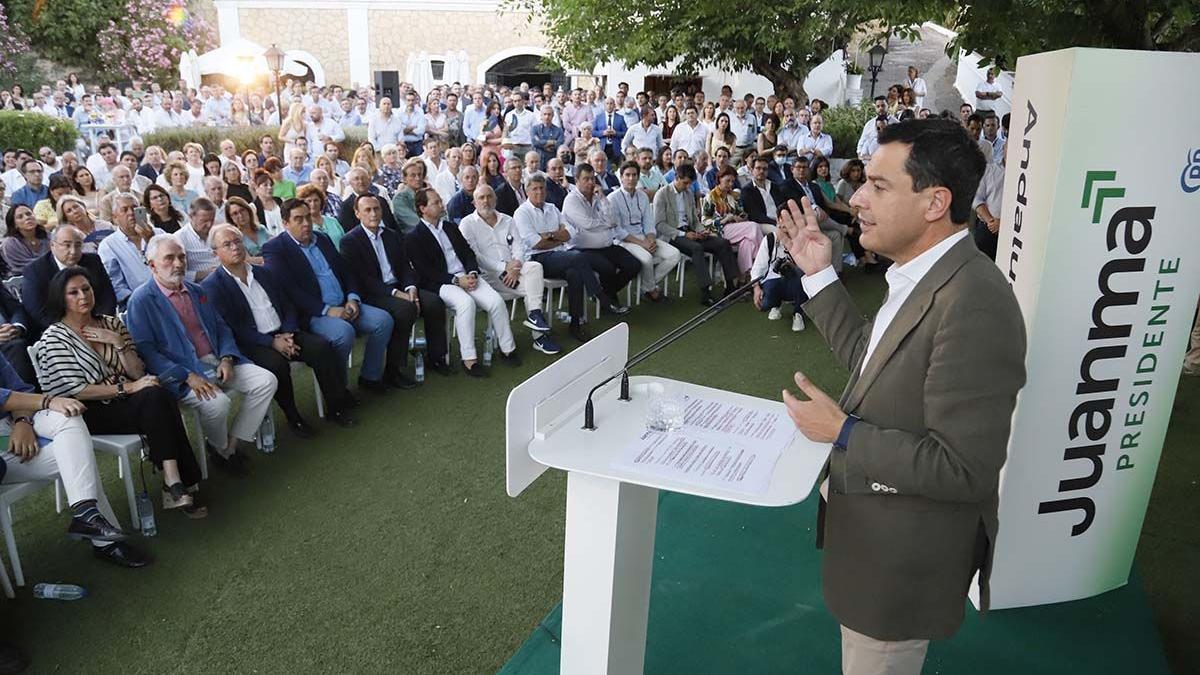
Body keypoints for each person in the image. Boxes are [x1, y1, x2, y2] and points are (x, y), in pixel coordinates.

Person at [778, 118, 1026, 675]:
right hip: (875, 544)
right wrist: (818, 275)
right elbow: (876, 361)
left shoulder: (974, 302)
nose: (857, 199)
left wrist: (842, 432)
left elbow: (965, 469)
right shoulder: (922, 273)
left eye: (879, 185)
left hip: (901, 568)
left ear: (935, 202)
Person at [36, 266, 207, 517]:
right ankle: (179, 482)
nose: (83, 296)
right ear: (61, 298)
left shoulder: (111, 323)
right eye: (73, 292)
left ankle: (174, 481)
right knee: (158, 399)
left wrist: (117, 344)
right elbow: (76, 390)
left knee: (156, 395)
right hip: (86, 412)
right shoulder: (55, 338)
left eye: (86, 289)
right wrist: (127, 387)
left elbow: (137, 372)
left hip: (129, 399)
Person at [128, 234, 278, 477]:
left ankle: (228, 448)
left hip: (217, 361)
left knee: (266, 381)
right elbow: (146, 351)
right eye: (169, 258)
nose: (178, 263)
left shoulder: (197, 291)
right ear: (152, 264)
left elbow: (221, 327)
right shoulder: (141, 300)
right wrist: (187, 375)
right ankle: (220, 448)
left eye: (181, 257)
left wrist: (228, 357)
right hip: (181, 373)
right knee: (218, 404)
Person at [0, 349, 150, 566]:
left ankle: (85, 512)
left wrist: (22, 421)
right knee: (74, 454)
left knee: (68, 418)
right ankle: (105, 542)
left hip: (12, 421)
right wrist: (48, 401)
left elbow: (19, 391)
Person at [203, 224, 357, 433]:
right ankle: (294, 418)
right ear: (215, 253)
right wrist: (272, 342)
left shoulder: (264, 272)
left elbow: (287, 305)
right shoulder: (213, 285)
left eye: (237, 241)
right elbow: (233, 327)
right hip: (255, 342)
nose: (235, 247)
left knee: (321, 347)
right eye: (227, 244)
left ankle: (336, 406)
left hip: (285, 331)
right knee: (277, 366)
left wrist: (289, 332)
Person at [262, 199, 400, 393]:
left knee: (383, 321)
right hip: (314, 313)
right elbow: (289, 291)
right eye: (298, 219)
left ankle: (370, 376)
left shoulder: (322, 238)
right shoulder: (275, 248)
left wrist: (352, 297)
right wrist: (328, 310)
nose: (306, 223)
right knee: (344, 333)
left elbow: (346, 271)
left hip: (345, 303)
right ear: (285, 223)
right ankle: (338, 389)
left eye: (308, 217)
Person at [406, 188, 519, 377]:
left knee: (496, 301)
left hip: (468, 276)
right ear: (422, 208)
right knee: (465, 304)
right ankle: (469, 360)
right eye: (436, 203)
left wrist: (473, 272)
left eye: (440, 201)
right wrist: (456, 280)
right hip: (443, 283)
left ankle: (508, 349)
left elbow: (468, 253)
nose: (441, 205)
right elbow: (424, 271)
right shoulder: (413, 237)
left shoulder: (450, 227)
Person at [339, 193, 450, 378]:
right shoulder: (350, 241)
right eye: (367, 210)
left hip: (400, 287)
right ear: (357, 214)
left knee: (434, 302)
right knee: (405, 309)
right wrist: (397, 294)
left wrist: (411, 289)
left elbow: (405, 267)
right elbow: (362, 280)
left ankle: (436, 357)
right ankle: (394, 370)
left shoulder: (391, 235)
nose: (373, 214)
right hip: (373, 294)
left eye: (376, 209)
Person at [459, 184, 560, 355]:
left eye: (489, 196)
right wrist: (504, 268)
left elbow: (519, 248)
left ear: (495, 199)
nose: (486, 201)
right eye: (481, 198)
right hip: (489, 277)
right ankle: (540, 338)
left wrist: (515, 267)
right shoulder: (467, 224)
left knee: (535, 266)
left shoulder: (508, 219)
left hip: (514, 272)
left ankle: (535, 315)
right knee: (532, 289)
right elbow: (475, 256)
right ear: (474, 203)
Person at [513, 173, 610, 342]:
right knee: (578, 257)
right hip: (537, 260)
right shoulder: (522, 213)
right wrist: (558, 237)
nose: (539, 192)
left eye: (542, 188)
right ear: (527, 191)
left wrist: (549, 235)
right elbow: (535, 244)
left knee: (575, 273)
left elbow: (571, 232)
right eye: (534, 189)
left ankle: (575, 323)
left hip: (558, 256)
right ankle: (598, 293)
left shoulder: (552, 208)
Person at [655, 164, 738, 306]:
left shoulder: (688, 193)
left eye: (690, 183)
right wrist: (684, 234)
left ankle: (730, 287)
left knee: (723, 243)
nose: (687, 186)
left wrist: (702, 230)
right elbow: (660, 225)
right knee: (696, 248)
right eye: (685, 183)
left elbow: (694, 219)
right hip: (673, 235)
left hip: (690, 231)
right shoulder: (662, 194)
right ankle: (706, 294)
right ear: (677, 177)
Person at [561, 164, 641, 310]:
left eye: (592, 178)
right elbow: (588, 224)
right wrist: (607, 223)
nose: (591, 182)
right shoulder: (571, 200)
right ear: (577, 180)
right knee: (608, 268)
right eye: (586, 179)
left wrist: (603, 198)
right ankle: (609, 301)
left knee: (634, 265)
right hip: (582, 249)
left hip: (607, 246)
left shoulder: (598, 196)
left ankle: (605, 294)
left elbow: (612, 220)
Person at [609, 160, 681, 303]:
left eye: (634, 175)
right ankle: (651, 291)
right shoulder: (613, 198)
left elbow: (648, 222)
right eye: (627, 175)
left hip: (645, 237)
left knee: (674, 255)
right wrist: (642, 244)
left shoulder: (642, 196)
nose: (631, 178)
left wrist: (651, 239)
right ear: (621, 177)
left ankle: (646, 287)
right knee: (647, 258)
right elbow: (617, 231)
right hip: (624, 241)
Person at [780, 156, 847, 273]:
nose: (801, 170)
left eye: (804, 167)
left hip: (820, 221)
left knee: (836, 235)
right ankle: (845, 229)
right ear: (792, 169)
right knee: (815, 214)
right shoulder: (786, 185)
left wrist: (819, 208)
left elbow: (825, 204)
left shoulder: (814, 186)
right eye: (798, 167)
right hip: (801, 220)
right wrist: (815, 207)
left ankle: (836, 272)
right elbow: (795, 202)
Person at [99, 193, 163, 305]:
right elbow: (117, 286)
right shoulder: (108, 245)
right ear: (115, 217)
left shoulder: (158, 233)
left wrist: (151, 240)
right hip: (137, 303)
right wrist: (140, 302)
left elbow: (172, 260)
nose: (131, 213)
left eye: (134, 208)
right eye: (124, 210)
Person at [703, 166, 764, 283]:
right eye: (727, 181)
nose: (730, 184)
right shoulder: (711, 196)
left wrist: (741, 217)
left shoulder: (734, 196)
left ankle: (743, 277)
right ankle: (763, 264)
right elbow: (705, 221)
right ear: (719, 179)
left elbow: (742, 213)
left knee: (747, 242)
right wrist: (725, 219)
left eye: (732, 181)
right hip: (719, 230)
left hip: (738, 229)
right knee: (754, 226)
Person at [750, 227, 807, 332]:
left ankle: (798, 313)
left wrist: (793, 265)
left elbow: (808, 267)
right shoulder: (770, 239)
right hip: (773, 280)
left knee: (802, 276)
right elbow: (758, 266)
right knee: (765, 304)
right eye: (781, 224)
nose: (784, 228)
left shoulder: (801, 238)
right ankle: (776, 305)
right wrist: (756, 288)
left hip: (794, 279)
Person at [972, 139, 1006, 261]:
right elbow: (976, 199)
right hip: (988, 229)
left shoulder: (1024, 176)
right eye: (1009, 147)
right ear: (1004, 149)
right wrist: (991, 222)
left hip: (1012, 232)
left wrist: (1004, 224)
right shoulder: (989, 170)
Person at [176, 198, 219, 282]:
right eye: (204, 221)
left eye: (212, 220)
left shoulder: (218, 230)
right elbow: (178, 273)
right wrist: (205, 273)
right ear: (191, 216)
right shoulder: (179, 239)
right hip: (200, 285)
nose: (209, 225)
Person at [2, 205, 49, 275]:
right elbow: (25, 267)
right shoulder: (10, 243)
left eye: (29, 214)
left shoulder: (47, 236)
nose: (27, 217)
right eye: (20, 217)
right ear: (15, 225)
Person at [389, 158, 425, 232]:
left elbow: (442, 214)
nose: (417, 178)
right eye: (413, 175)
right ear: (404, 179)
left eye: (419, 175)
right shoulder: (400, 199)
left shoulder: (427, 194)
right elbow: (415, 222)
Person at [593, 98, 628, 163]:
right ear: (604, 105)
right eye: (607, 104)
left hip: (615, 147)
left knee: (614, 168)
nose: (609, 106)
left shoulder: (620, 118)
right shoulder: (598, 117)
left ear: (614, 105)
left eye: (611, 103)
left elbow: (626, 133)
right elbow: (593, 132)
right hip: (602, 147)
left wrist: (616, 133)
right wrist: (602, 133)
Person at [531, 105, 564, 170]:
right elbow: (535, 142)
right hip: (538, 161)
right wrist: (550, 142)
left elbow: (559, 144)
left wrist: (542, 143)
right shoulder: (535, 129)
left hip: (552, 162)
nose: (547, 117)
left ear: (553, 116)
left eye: (549, 114)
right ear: (541, 115)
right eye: (545, 114)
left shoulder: (558, 130)